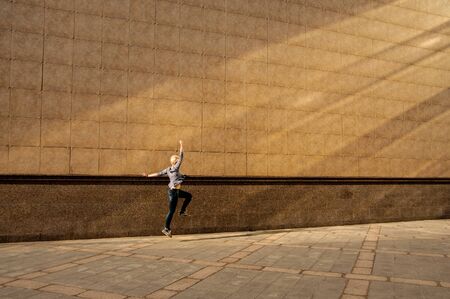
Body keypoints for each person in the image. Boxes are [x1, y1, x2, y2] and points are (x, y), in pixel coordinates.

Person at [143, 140, 192, 238]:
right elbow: (181, 155)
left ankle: (182, 211)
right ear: (175, 161)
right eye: (177, 160)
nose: (179, 161)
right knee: (171, 211)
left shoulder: (168, 169)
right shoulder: (175, 167)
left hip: (175, 191)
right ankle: (166, 228)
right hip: (174, 192)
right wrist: (181, 145)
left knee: (188, 196)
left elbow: (158, 174)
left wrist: (148, 175)